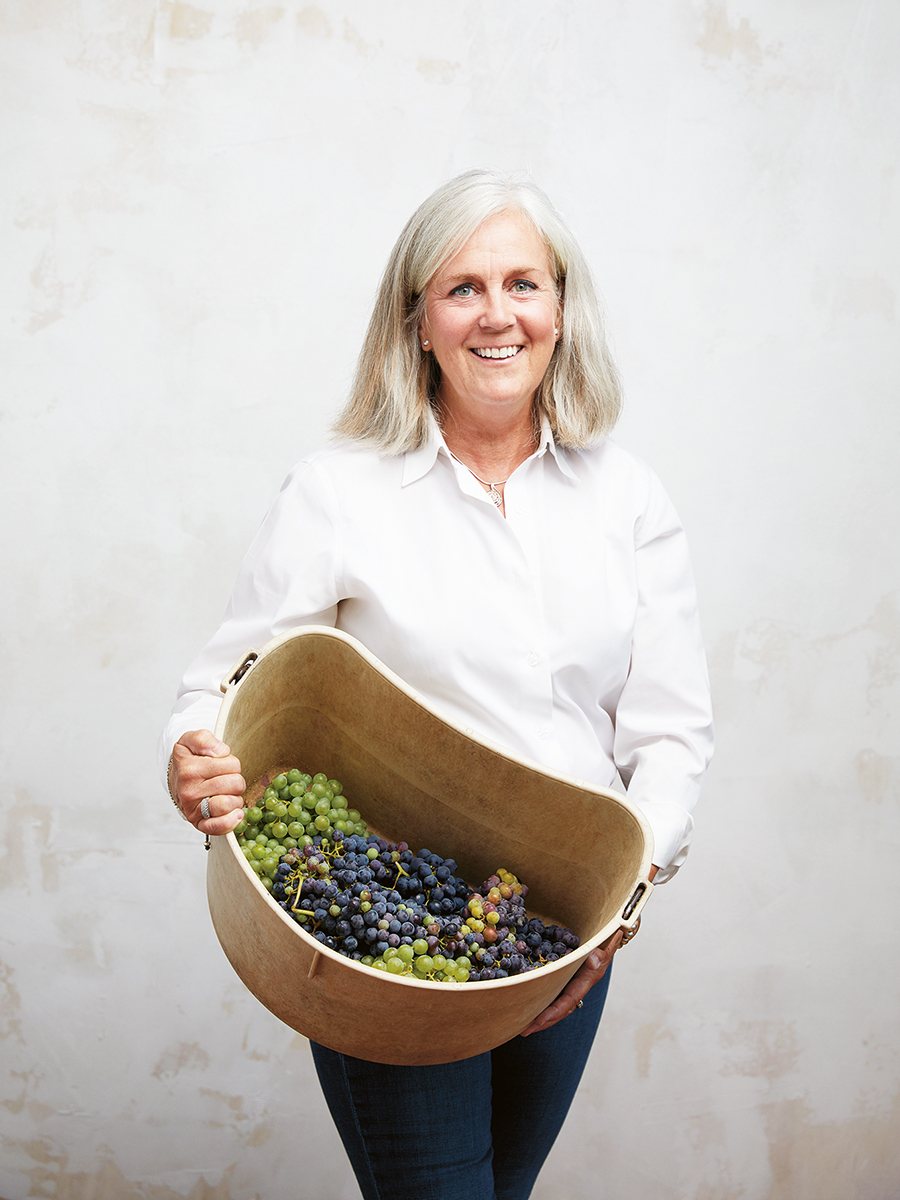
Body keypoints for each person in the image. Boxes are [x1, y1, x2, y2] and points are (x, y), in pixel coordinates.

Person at [161, 169, 714, 1200]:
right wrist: (193, 757)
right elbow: (227, 685)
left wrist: (618, 903)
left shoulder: (627, 498)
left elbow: (672, 734)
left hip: (558, 942)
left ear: (560, 308)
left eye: (522, 284)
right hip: (390, 939)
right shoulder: (338, 490)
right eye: (462, 288)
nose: (496, 314)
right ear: (416, 321)